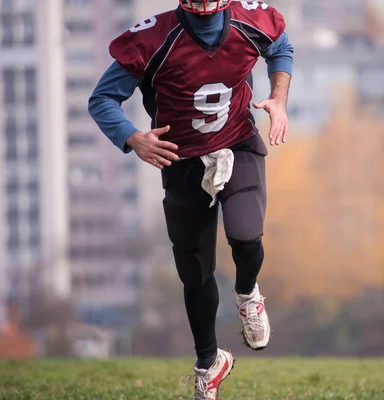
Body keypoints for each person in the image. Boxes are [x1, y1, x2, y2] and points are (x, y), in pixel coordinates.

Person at [88, 0, 293, 398]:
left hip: (237, 143)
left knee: (246, 235)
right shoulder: (154, 37)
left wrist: (279, 97)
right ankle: (208, 364)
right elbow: (102, 99)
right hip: (180, 159)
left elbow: (280, 46)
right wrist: (132, 138)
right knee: (194, 272)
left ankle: (248, 292)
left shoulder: (250, 20)